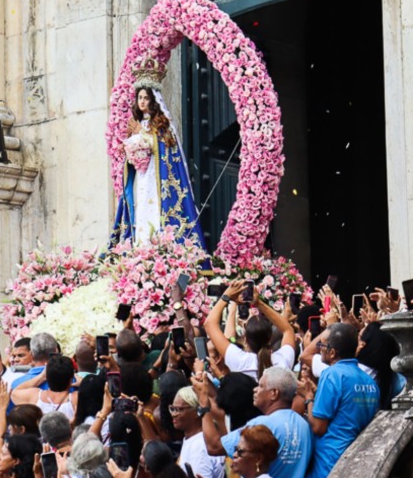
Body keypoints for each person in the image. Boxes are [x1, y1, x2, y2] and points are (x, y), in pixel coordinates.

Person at [109, 57, 206, 249]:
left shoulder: (162, 125)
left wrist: (141, 134)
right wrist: (129, 148)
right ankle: (141, 248)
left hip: (156, 178)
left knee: (152, 208)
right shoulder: (137, 125)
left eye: (146, 98)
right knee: (140, 207)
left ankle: (157, 246)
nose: (142, 101)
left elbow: (163, 148)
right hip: (141, 177)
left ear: (153, 100)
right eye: (140, 98)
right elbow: (134, 153)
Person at [196, 367, 310, 478]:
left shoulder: (261, 425)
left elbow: (214, 447)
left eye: (261, 386)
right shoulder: (304, 425)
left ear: (274, 393)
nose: (255, 390)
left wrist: (204, 407)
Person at [302, 323, 380, 478]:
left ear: (332, 352)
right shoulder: (369, 381)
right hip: (355, 460)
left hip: (329, 463)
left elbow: (318, 427)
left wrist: (308, 398)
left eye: (322, 345)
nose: (319, 350)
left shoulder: (332, 374)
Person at [203, 280, 296, 381]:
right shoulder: (283, 360)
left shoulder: (239, 360)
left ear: (245, 340)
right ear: (270, 339)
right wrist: (259, 303)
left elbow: (209, 323)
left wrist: (226, 295)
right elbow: (287, 330)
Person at [170, 387, 225, 478]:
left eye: (180, 409)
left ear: (197, 412)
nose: (174, 414)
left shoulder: (200, 445)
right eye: (172, 409)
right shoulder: (191, 439)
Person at [11, 355, 76, 420]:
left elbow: (15, 392)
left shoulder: (35, 397)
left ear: (47, 376)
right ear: (71, 379)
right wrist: (80, 380)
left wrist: (41, 377)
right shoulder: (75, 399)